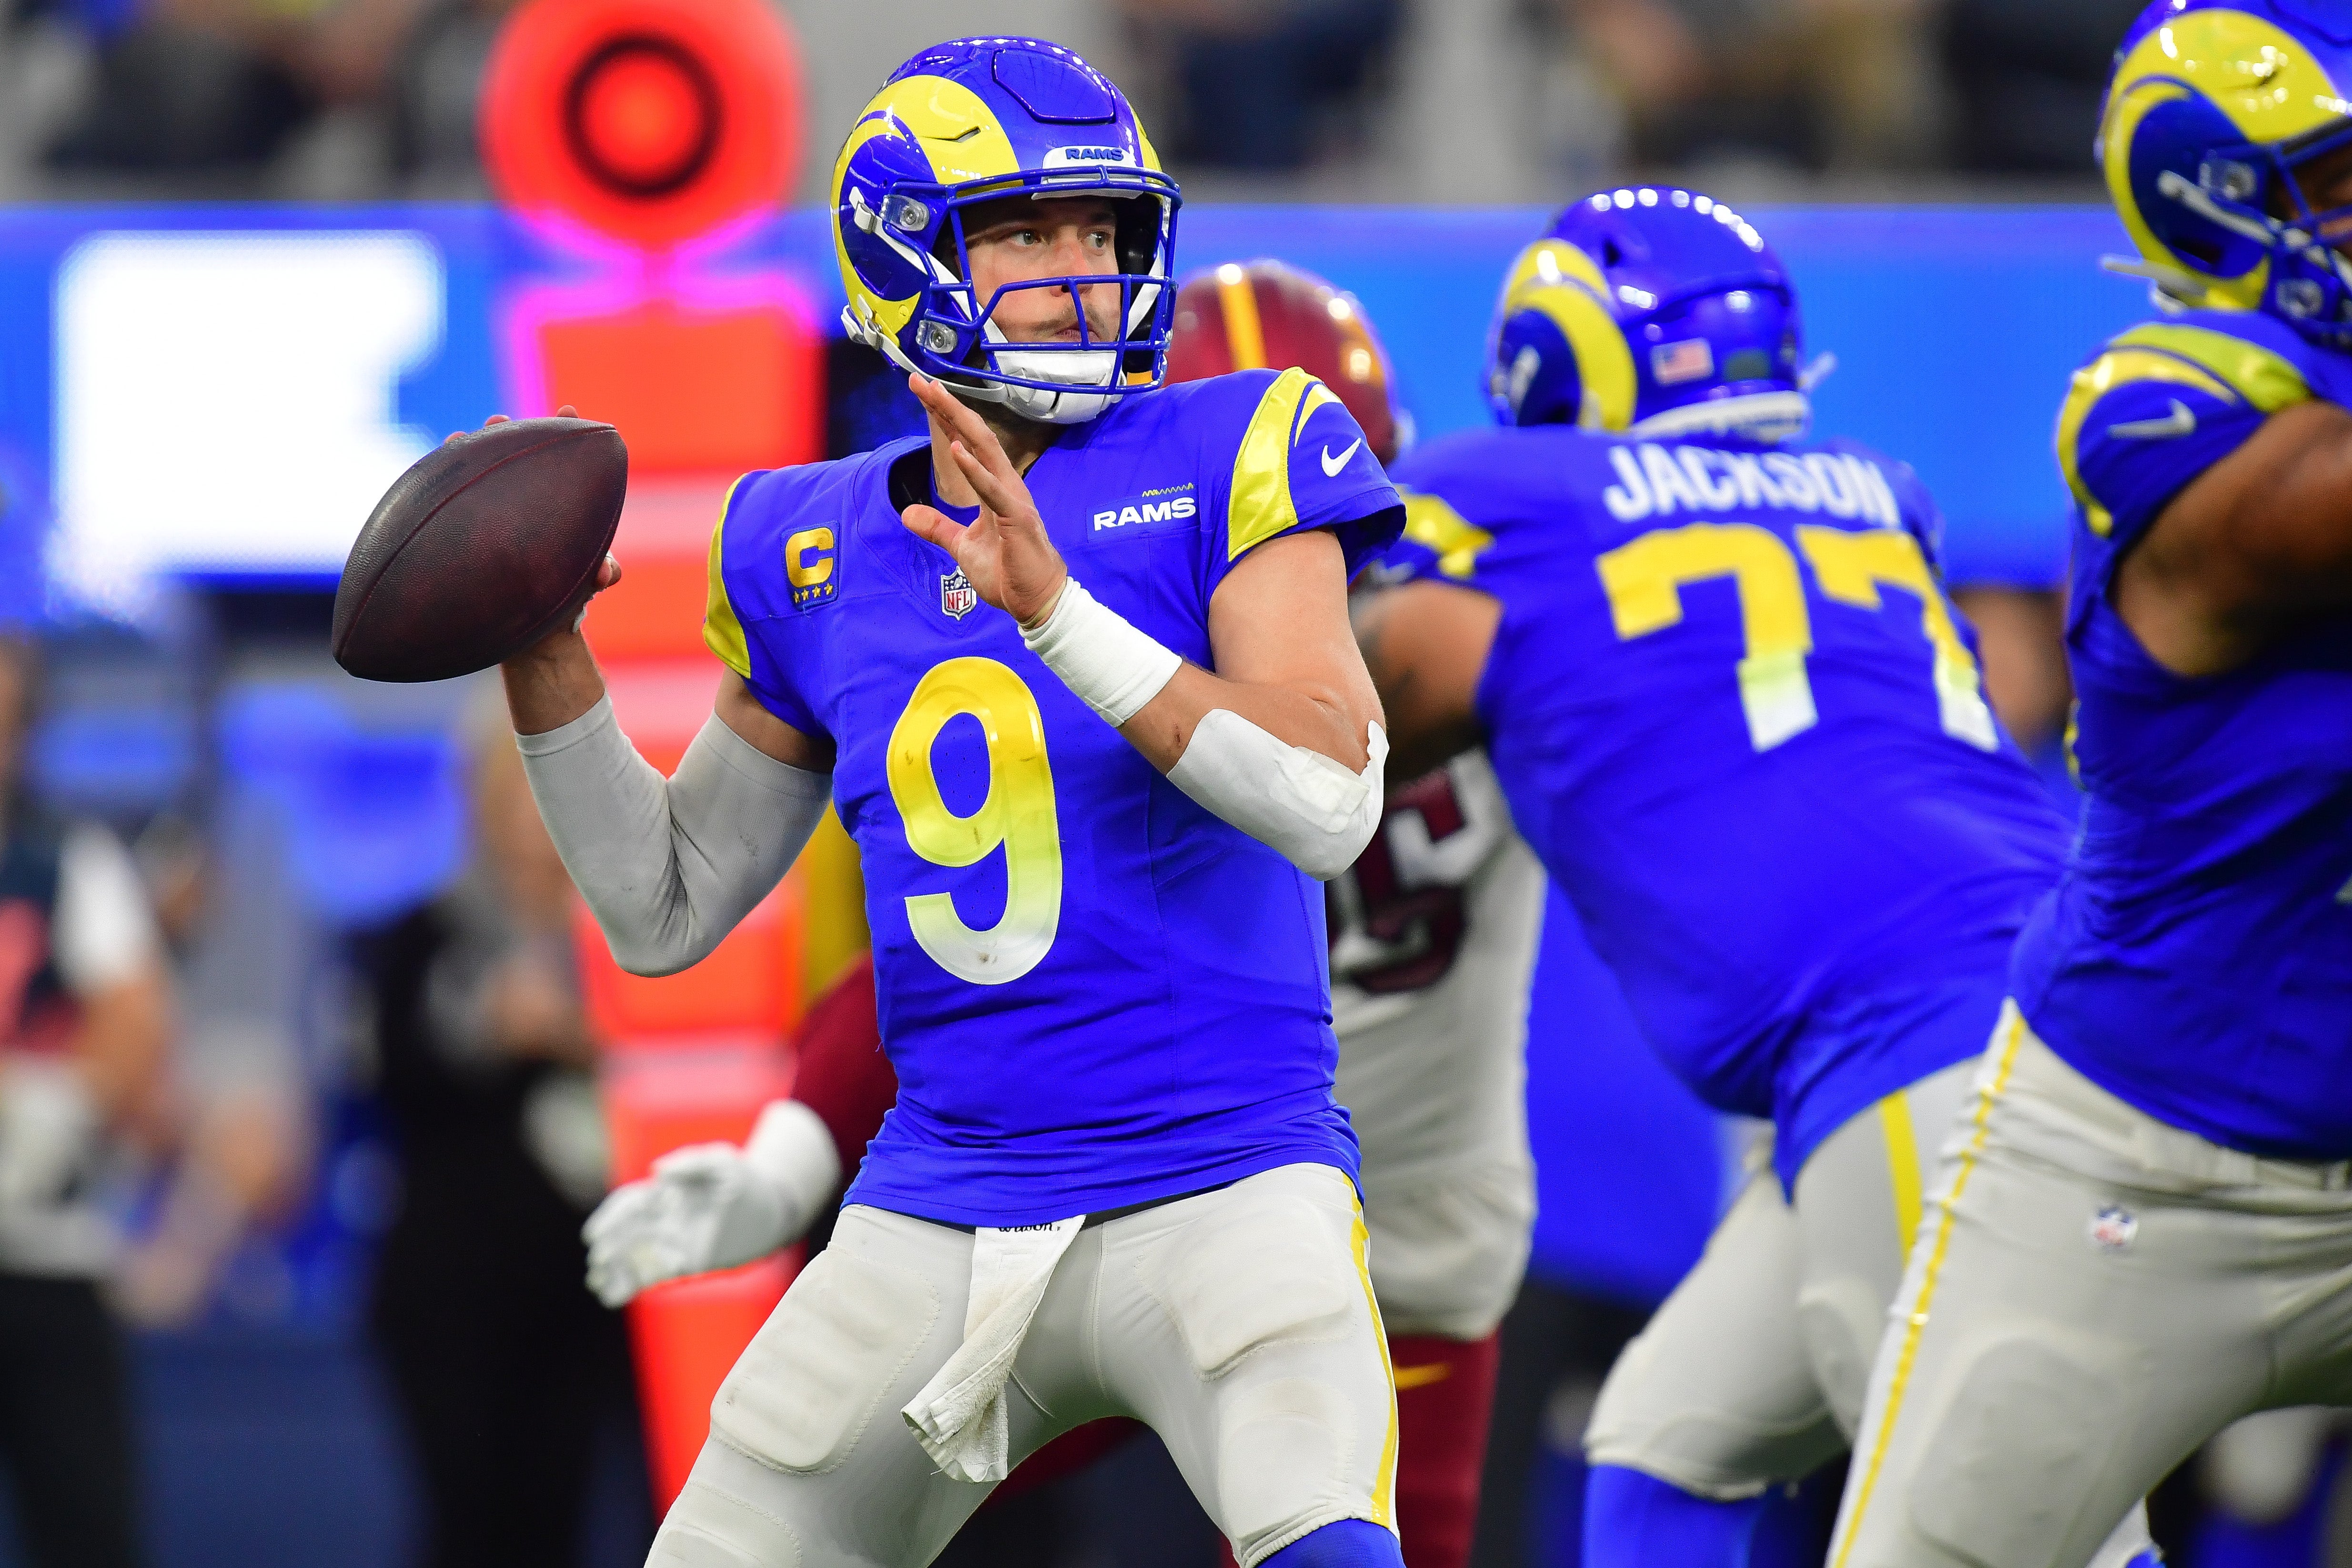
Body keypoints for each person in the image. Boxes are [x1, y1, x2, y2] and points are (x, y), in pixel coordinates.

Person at [502, 36, 1408, 1568]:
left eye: (1102, 231)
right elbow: (664, 909)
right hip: (941, 1191)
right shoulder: (806, 536)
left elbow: (1330, 797)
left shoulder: (1230, 444)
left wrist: (1063, 617)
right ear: (901, 251)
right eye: (1024, 231)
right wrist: (541, 654)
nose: (1080, 270)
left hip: (1225, 1168)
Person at [1344, 189, 2159, 1568]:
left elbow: (1355, 705)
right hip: (2011, 1018)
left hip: (1913, 1054)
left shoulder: (1517, 492)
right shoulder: (1876, 495)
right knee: (1672, 1447)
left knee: (2008, 1534)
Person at [1823, 4, 2352, 1563]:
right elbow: (2305, 514)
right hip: (2137, 1158)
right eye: (2336, 174)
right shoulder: (2162, 398)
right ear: (2218, 195)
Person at [363, 694, 645, 1568]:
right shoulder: (421, 937)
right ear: (475, 795)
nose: (530, 805)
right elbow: (386, 1070)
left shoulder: (634, 933)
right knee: (468, 1522)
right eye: (510, 779)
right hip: (451, 1294)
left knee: (561, 1520)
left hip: (590, 1300)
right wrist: (495, 1028)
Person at [0, 631, 173, 1568]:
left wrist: (46, 1103)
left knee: (87, 1527)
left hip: (50, 1249)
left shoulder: (69, 860)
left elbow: (136, 1029)